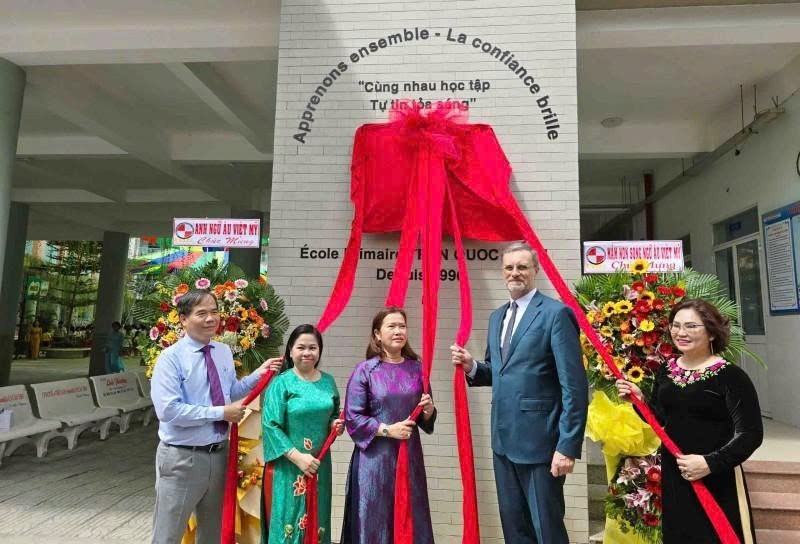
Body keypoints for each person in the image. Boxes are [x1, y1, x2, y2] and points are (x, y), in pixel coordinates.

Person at [451, 241, 588, 544]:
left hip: (541, 443)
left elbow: (575, 387)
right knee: (515, 530)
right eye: (509, 267)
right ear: (503, 272)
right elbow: (499, 372)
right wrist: (472, 366)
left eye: (522, 267)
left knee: (547, 530)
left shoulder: (556, 314)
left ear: (536, 270)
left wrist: (567, 445)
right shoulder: (496, 317)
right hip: (503, 442)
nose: (515, 273)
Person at [616, 298, 762, 543]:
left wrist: (709, 463)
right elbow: (660, 420)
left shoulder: (731, 376)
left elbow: (751, 434)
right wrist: (639, 401)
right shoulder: (667, 370)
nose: (680, 332)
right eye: (676, 325)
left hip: (716, 477)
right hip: (675, 473)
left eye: (691, 326)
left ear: (712, 333)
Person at [149, 289, 283, 544]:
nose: (211, 318)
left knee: (214, 533)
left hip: (219, 454)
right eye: (202, 313)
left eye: (214, 312)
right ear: (183, 319)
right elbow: (168, 410)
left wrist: (259, 374)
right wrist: (221, 413)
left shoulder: (222, 351)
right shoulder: (170, 359)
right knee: (168, 534)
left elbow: (229, 391)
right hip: (182, 457)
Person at [340, 307, 436, 544]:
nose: (398, 331)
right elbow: (353, 417)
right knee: (374, 519)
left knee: (410, 516)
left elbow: (425, 418)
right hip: (374, 461)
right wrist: (387, 430)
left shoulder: (418, 369)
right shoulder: (365, 371)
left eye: (402, 326)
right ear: (377, 334)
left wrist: (429, 411)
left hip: (409, 457)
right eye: (391, 326)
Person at [261, 324, 343, 544]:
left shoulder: (328, 381)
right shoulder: (281, 383)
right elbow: (270, 425)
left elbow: (334, 414)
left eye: (312, 348)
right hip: (288, 467)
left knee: (318, 521)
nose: (307, 353)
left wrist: (335, 424)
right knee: (288, 524)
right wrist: (297, 457)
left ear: (319, 351)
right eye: (301, 347)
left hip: (319, 465)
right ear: (290, 351)